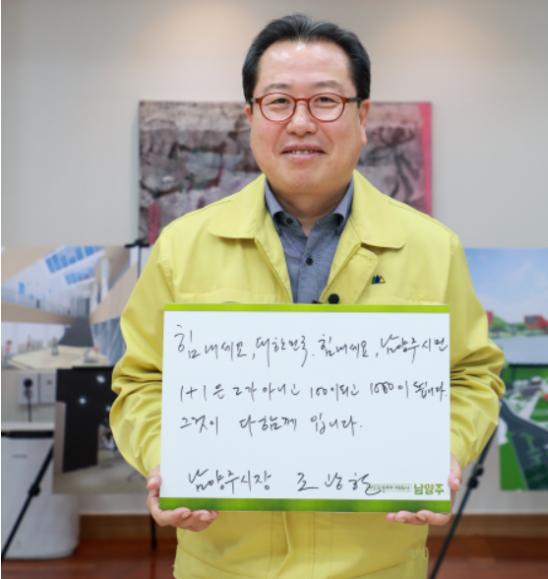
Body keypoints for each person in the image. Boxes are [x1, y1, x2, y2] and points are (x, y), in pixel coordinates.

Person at [111, 14, 504, 578]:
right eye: (278, 102)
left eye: (325, 100)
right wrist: (164, 458)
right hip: (224, 565)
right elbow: (142, 381)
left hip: (378, 566)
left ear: (362, 116)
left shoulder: (432, 247)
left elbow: (471, 375)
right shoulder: (182, 246)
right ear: (251, 116)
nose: (300, 123)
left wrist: (445, 449)